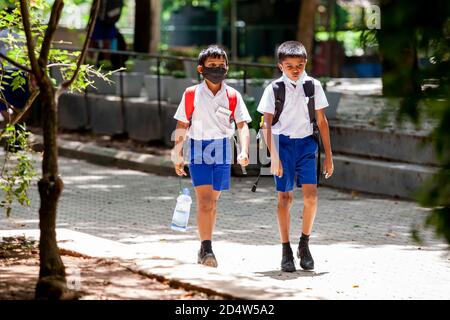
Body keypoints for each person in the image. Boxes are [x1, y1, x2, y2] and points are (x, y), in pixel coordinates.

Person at [257, 41, 334, 272]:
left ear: (305, 63)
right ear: (280, 65)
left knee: (311, 197)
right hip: (282, 145)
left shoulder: (313, 86)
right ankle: (285, 249)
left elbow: (322, 121)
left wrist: (329, 156)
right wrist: (275, 157)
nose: (295, 69)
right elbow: (265, 125)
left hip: (307, 146)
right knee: (285, 199)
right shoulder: (273, 89)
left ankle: (304, 242)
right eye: (289, 65)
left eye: (299, 64)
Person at [172, 45, 251, 268]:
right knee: (205, 201)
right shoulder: (191, 94)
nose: (217, 69)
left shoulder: (233, 95)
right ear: (201, 69)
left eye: (221, 65)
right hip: (198, 148)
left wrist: (244, 150)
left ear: (227, 68)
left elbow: (242, 125)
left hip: (223, 148)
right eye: (211, 65)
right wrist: (177, 154)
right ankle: (207, 248)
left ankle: (204, 245)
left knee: (213, 202)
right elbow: (181, 124)